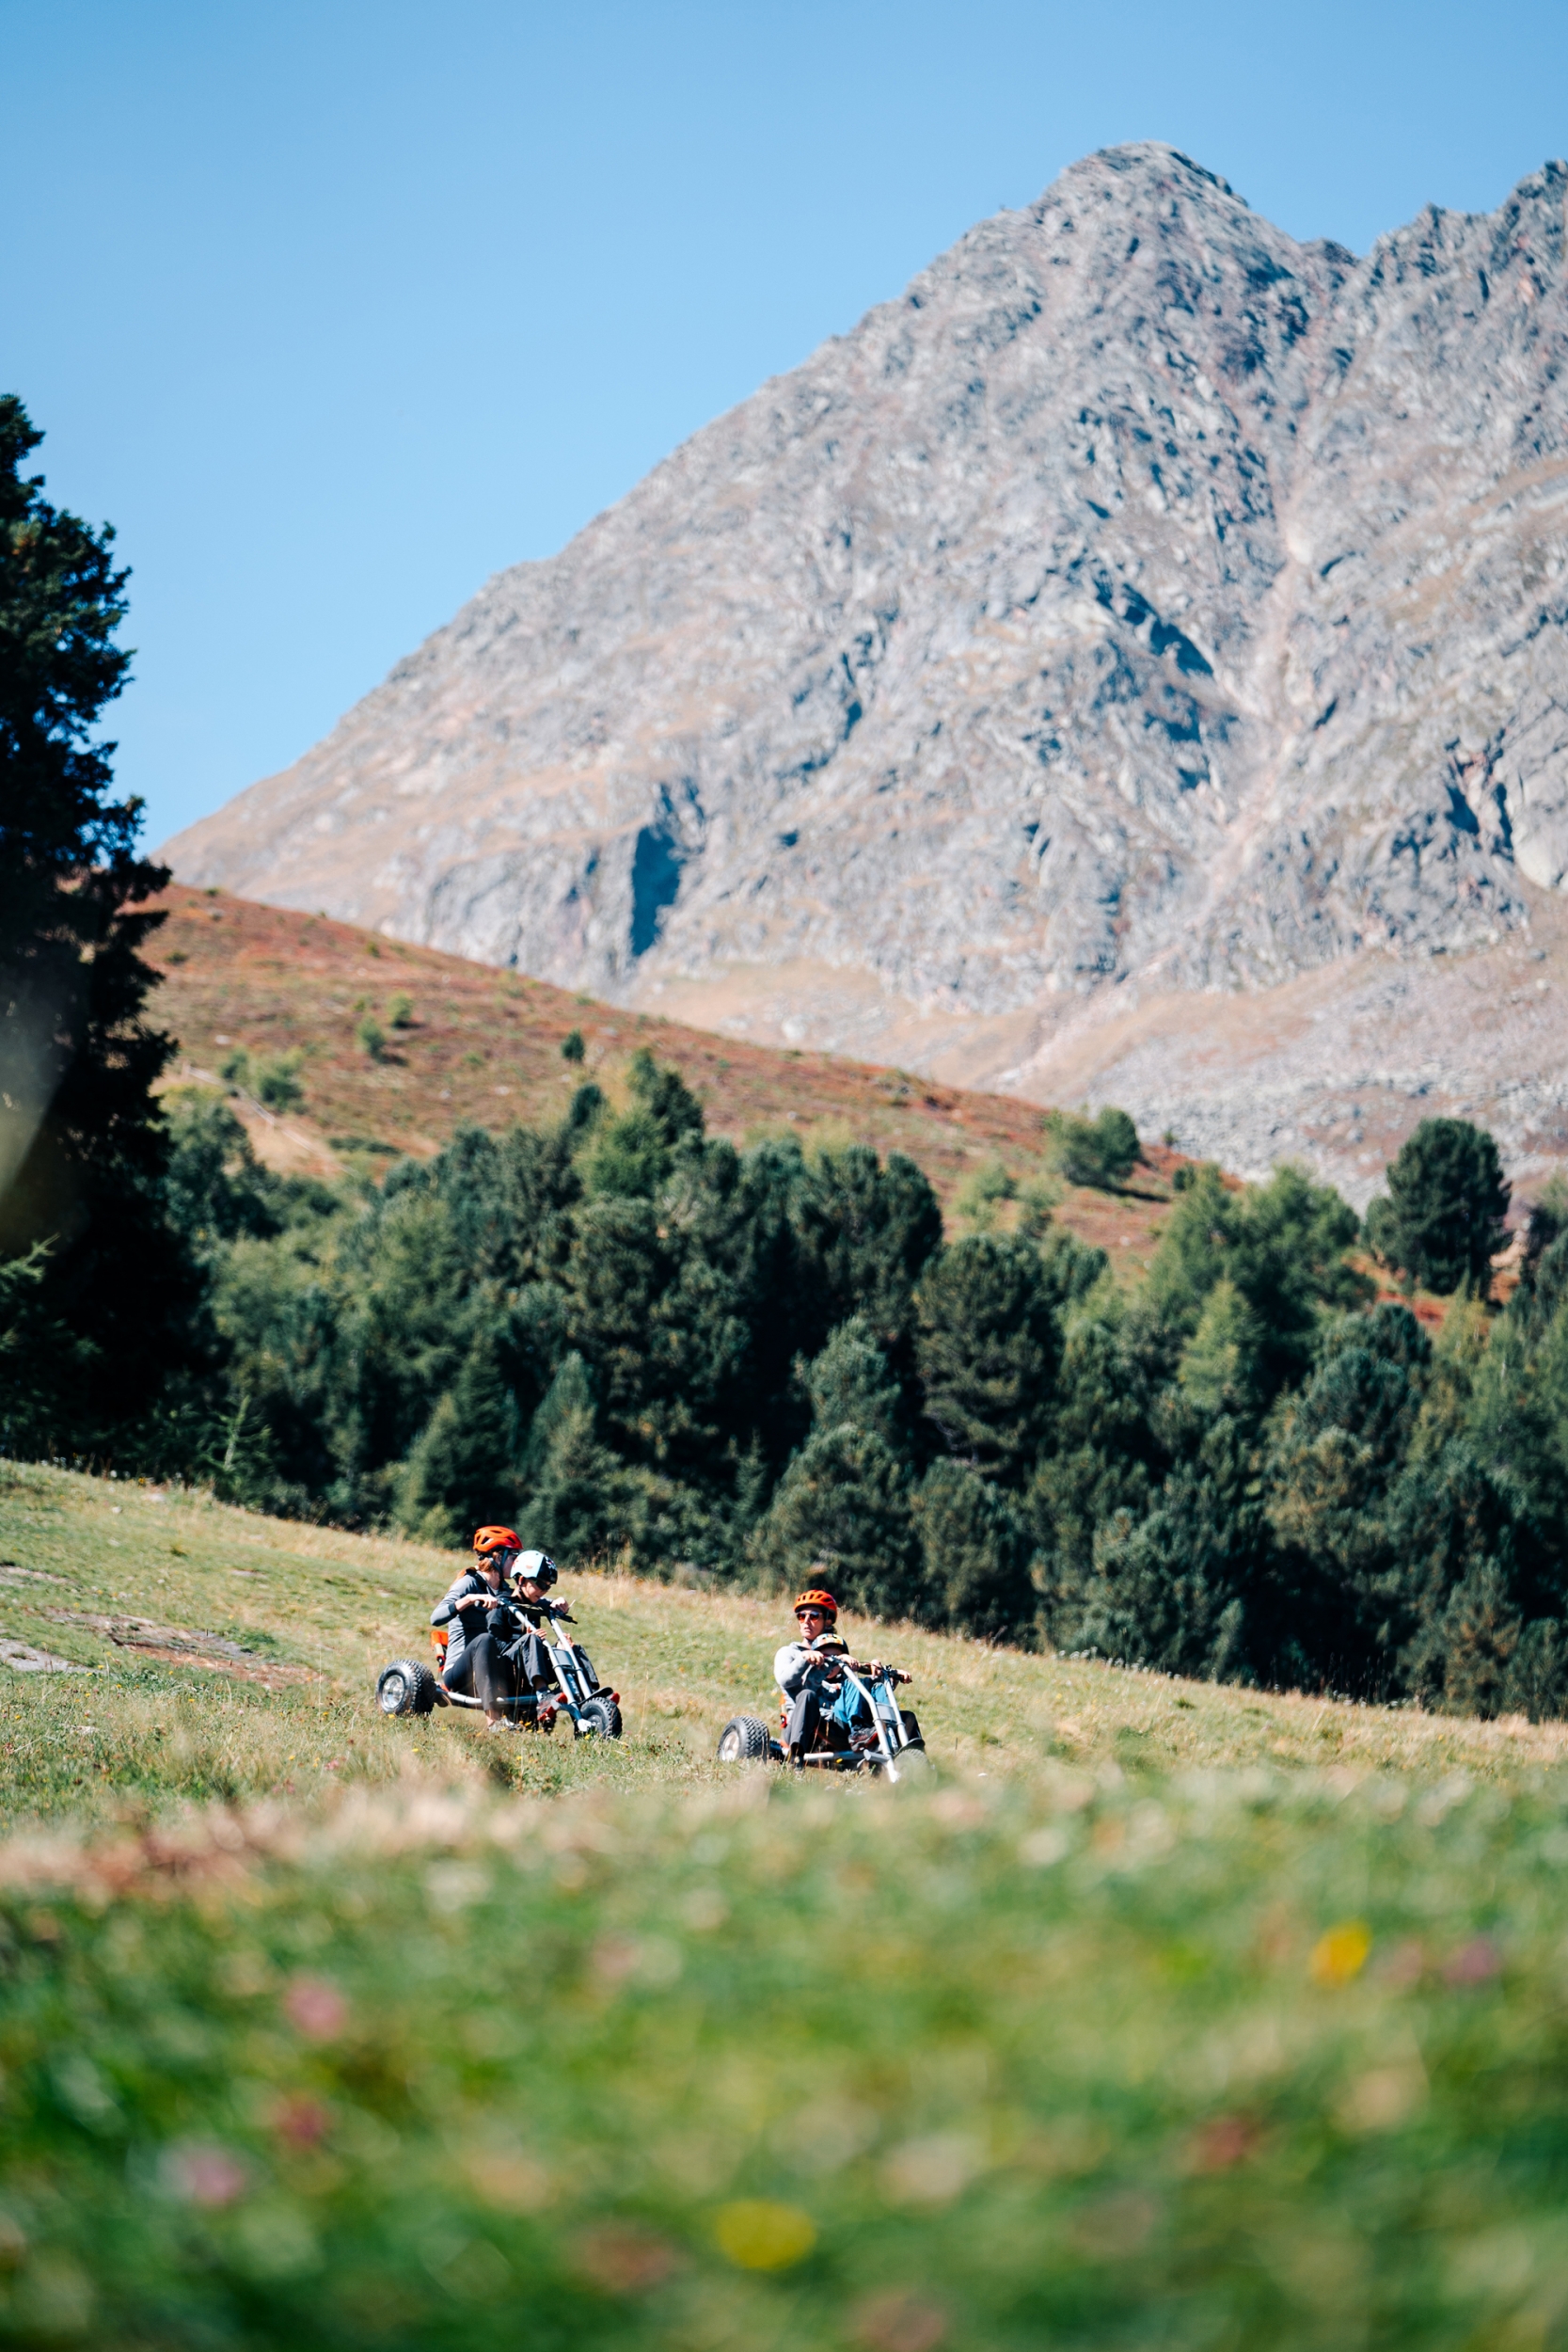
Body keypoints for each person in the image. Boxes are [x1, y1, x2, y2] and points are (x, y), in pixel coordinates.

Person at [772, 1581, 907, 1765]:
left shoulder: (838, 1655)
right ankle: (797, 1760)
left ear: (828, 1620)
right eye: (801, 1616)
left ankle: (905, 1753)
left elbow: (856, 1694)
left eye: (814, 1616)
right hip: (802, 1727)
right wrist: (805, 1659)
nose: (806, 1621)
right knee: (807, 1695)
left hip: (837, 1728)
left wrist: (881, 1675)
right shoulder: (788, 1653)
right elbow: (785, 1680)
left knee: (905, 1716)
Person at [431, 1525, 531, 1730]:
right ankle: (493, 1723)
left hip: (488, 1672)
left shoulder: (503, 1590)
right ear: (497, 1556)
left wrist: (552, 1602)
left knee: (527, 1642)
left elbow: (527, 1600)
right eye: (513, 1556)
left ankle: (532, 1719)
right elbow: (436, 1617)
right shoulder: (469, 1582)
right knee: (485, 1639)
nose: (516, 1562)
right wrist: (469, 1599)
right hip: (459, 1673)